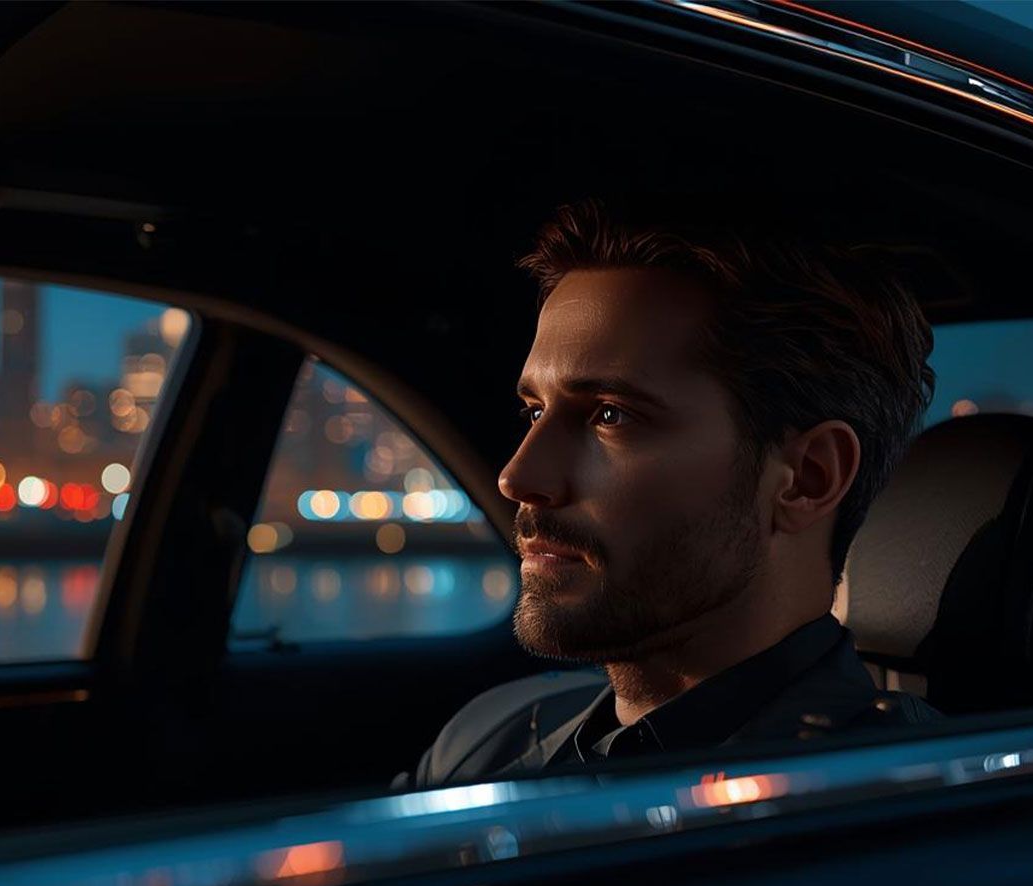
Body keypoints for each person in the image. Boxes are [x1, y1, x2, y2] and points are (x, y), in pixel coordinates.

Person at [400, 199, 941, 788]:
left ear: (808, 476)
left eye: (610, 414)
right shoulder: (486, 736)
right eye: (534, 412)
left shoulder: (904, 811)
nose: (518, 477)